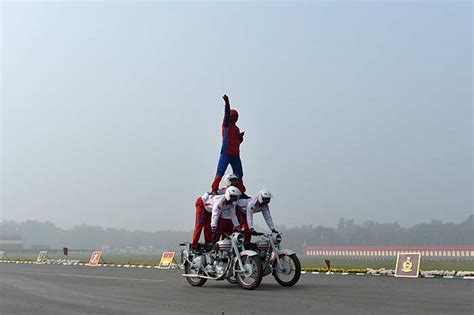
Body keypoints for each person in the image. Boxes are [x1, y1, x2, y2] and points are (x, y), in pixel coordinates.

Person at [210, 95, 246, 194]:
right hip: (226, 152)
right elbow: (226, 114)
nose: (235, 118)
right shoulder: (226, 125)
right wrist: (227, 103)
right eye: (233, 116)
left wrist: (240, 137)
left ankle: (241, 191)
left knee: (239, 173)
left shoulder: (236, 128)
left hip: (235, 154)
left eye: (236, 117)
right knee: (220, 171)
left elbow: (238, 141)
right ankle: (214, 188)